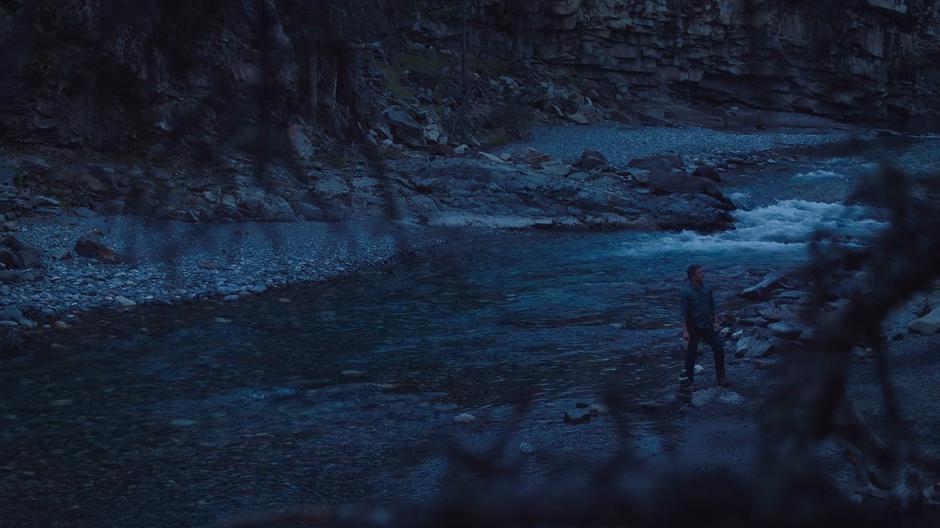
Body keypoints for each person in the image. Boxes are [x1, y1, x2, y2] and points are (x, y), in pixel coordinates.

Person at [679, 264, 728, 387]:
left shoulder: (707, 288)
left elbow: (713, 306)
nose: (702, 275)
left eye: (702, 272)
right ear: (692, 277)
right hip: (693, 327)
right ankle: (688, 380)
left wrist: (716, 321)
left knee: (719, 349)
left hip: (708, 325)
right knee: (691, 354)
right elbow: (683, 314)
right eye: (699, 273)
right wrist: (685, 331)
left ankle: (721, 377)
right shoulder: (686, 292)